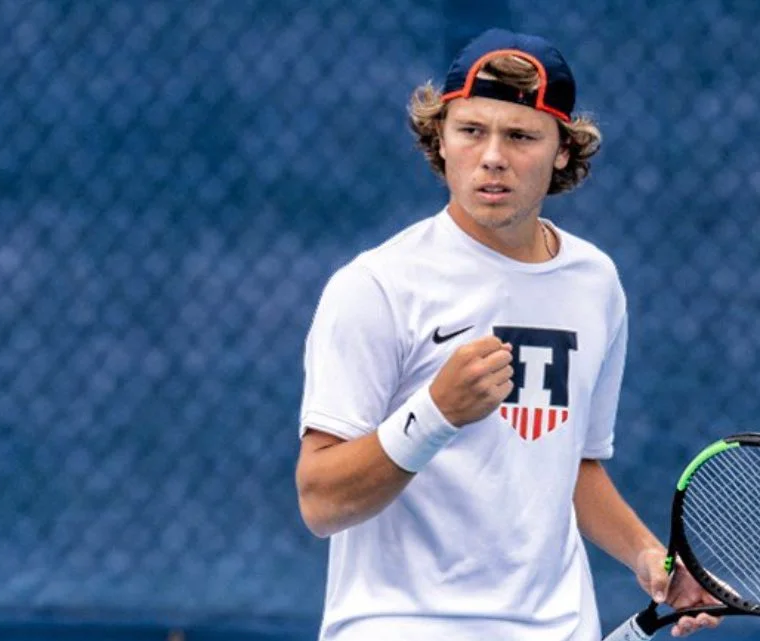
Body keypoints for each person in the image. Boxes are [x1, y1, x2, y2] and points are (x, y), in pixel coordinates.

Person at [295, 27, 721, 641]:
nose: (492, 155)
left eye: (520, 136)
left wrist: (649, 558)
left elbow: (570, 465)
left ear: (562, 152)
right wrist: (436, 413)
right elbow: (321, 501)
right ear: (440, 139)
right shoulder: (376, 286)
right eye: (472, 131)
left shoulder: (595, 283)